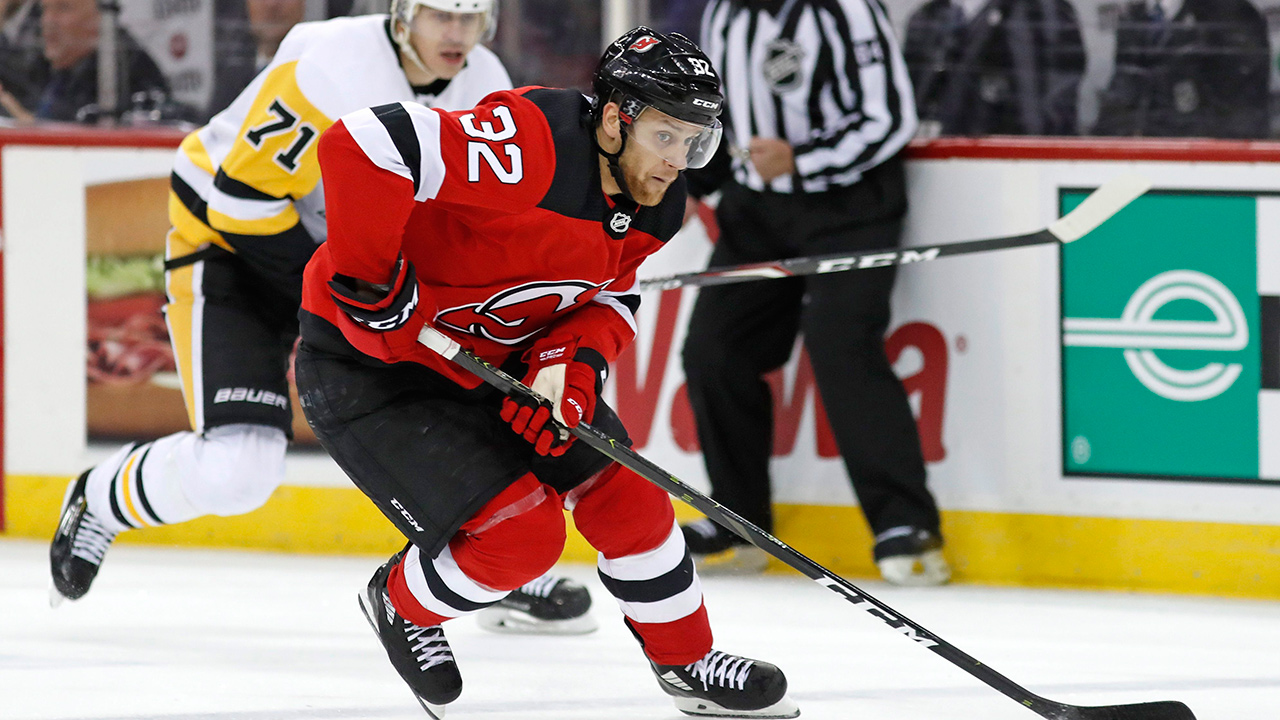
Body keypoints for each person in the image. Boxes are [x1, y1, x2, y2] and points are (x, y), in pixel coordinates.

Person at [293, 27, 798, 718]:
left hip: (501, 365)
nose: (678, 162)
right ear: (617, 119)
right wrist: (367, 277)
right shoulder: (527, 149)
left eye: (695, 142)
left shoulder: (658, 204)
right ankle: (401, 603)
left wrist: (569, 367)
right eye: (667, 136)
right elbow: (363, 142)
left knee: (634, 500)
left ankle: (687, 663)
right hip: (375, 369)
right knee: (522, 540)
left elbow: (611, 297)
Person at [51, 0, 598, 636]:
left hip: (354, 269)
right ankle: (101, 498)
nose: (457, 34)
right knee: (237, 471)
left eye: (470, 18)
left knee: (453, 407)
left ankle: (497, 564)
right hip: (235, 250)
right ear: (401, 14)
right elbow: (239, 201)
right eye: (439, 16)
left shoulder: (488, 83)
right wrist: (356, 295)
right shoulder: (329, 64)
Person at [678, 0, 951, 587]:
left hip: (852, 208)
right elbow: (721, 114)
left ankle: (907, 523)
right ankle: (738, 519)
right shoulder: (727, 13)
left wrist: (800, 159)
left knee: (840, 346)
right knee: (713, 351)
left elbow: (890, 118)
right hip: (758, 212)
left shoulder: (846, 10)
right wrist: (683, 183)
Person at [903, 0, 1086, 136]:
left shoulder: (1039, 11)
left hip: (1010, 156)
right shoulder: (930, 16)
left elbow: (1050, 104)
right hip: (939, 157)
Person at [1093, 0, 1269, 139]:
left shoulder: (1229, 14)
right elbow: (1124, 91)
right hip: (1144, 159)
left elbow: (1240, 109)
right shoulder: (1134, 15)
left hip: (1199, 161)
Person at [32, 0, 172, 121]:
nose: (48, 20)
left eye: (63, 8)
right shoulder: (52, 70)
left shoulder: (124, 73)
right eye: (45, 9)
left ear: (101, 17)